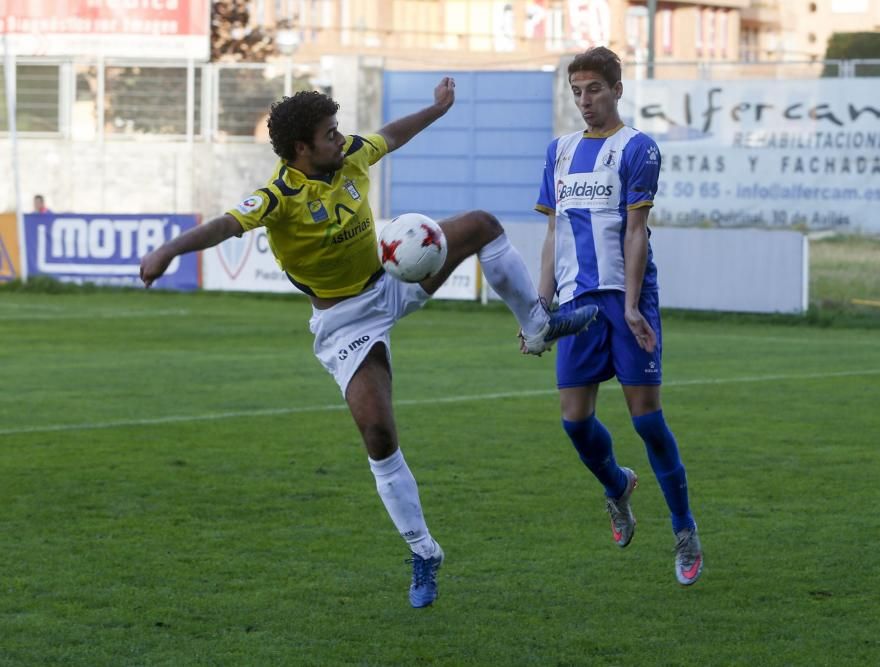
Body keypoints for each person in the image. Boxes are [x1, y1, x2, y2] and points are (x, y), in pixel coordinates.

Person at [139, 81, 598, 608]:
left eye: (338, 131)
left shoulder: (350, 156)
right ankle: (424, 552)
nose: (342, 140)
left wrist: (438, 108)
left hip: (392, 282)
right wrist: (168, 251)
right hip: (345, 323)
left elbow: (392, 136)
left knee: (481, 226)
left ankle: (536, 325)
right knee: (378, 434)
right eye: (329, 136)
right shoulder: (278, 198)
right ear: (300, 151)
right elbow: (224, 224)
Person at [529, 47, 704, 585]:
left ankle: (684, 531)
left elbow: (634, 233)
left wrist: (630, 306)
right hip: (577, 305)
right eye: (577, 91)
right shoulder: (559, 151)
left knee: (647, 419)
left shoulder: (638, 149)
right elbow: (554, 233)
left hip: (625, 298)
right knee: (574, 422)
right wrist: (539, 309)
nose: (585, 101)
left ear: (617, 89)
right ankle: (617, 486)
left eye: (594, 90)